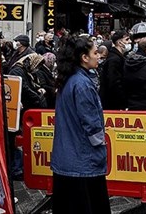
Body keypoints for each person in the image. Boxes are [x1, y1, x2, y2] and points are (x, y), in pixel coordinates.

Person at [51, 36, 111, 214]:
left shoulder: (69, 79)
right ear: (84, 57)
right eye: (95, 53)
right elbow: (91, 123)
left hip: (66, 158)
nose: (98, 56)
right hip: (82, 161)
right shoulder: (82, 84)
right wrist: (100, 145)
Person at [99, 30, 130, 110]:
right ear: (119, 43)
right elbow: (114, 83)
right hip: (113, 104)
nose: (130, 42)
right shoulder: (114, 59)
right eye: (127, 39)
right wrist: (122, 102)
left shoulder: (117, 57)